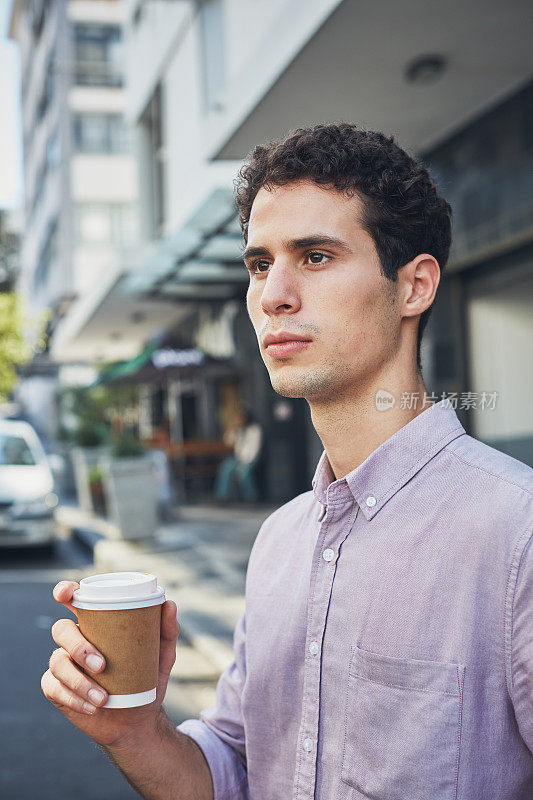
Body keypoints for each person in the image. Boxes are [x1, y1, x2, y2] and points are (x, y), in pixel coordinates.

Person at [42, 124, 533, 799]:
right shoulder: (280, 540)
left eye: (316, 255)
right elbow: (231, 773)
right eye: (259, 263)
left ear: (414, 286)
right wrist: (134, 730)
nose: (273, 293)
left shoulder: (516, 533)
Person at [214, 407, 263, 503]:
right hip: (238, 459)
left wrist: (245, 463)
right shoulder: (239, 430)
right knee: (226, 467)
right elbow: (228, 441)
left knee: (243, 473)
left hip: (250, 460)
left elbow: (255, 450)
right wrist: (233, 429)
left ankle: (251, 499)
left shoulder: (255, 430)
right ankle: (222, 497)